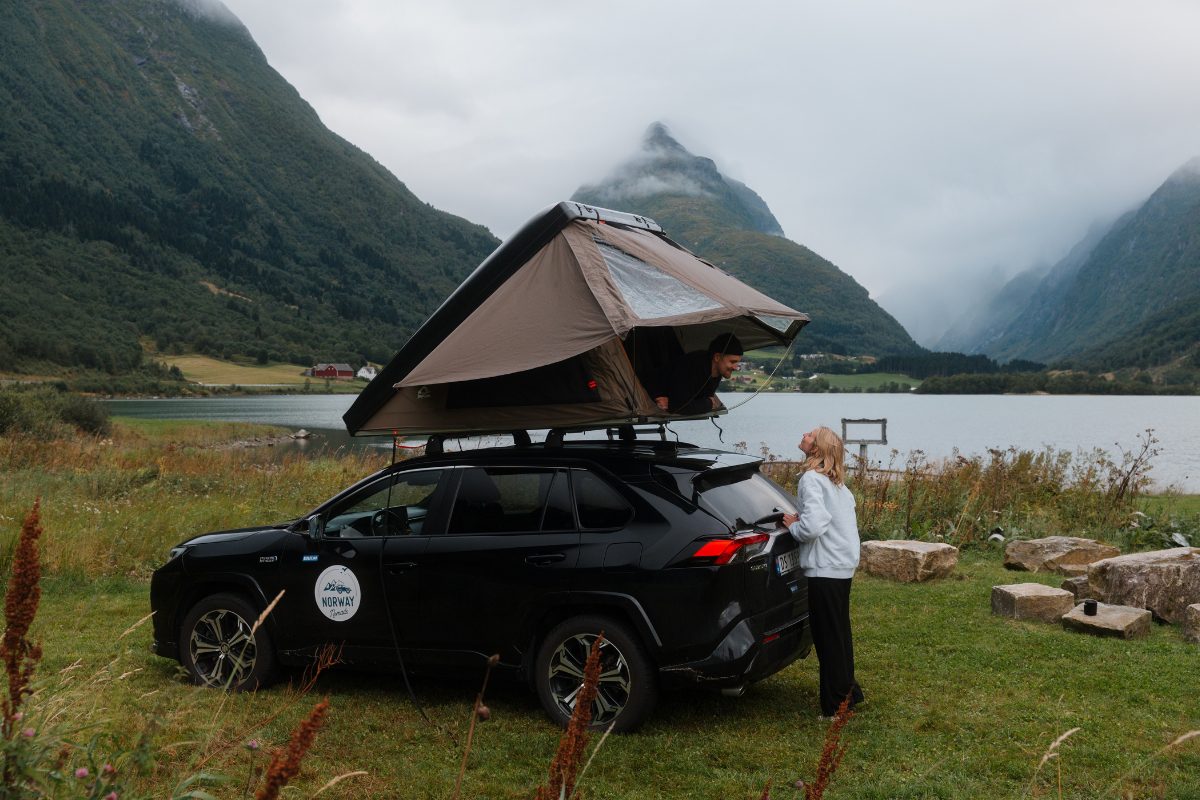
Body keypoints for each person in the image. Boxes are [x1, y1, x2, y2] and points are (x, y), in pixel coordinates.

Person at [781, 426, 864, 719]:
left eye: (810, 435)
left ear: (816, 448)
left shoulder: (811, 480)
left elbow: (814, 526)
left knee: (828, 638)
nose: (804, 434)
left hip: (825, 567)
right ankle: (849, 694)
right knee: (839, 632)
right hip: (841, 565)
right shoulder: (837, 484)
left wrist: (794, 526)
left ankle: (836, 707)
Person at [654, 333, 743, 415]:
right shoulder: (693, 366)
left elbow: (701, 400)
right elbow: (679, 406)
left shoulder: (717, 371)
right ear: (717, 357)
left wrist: (705, 403)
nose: (736, 367)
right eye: (732, 362)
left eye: (737, 363)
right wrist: (708, 404)